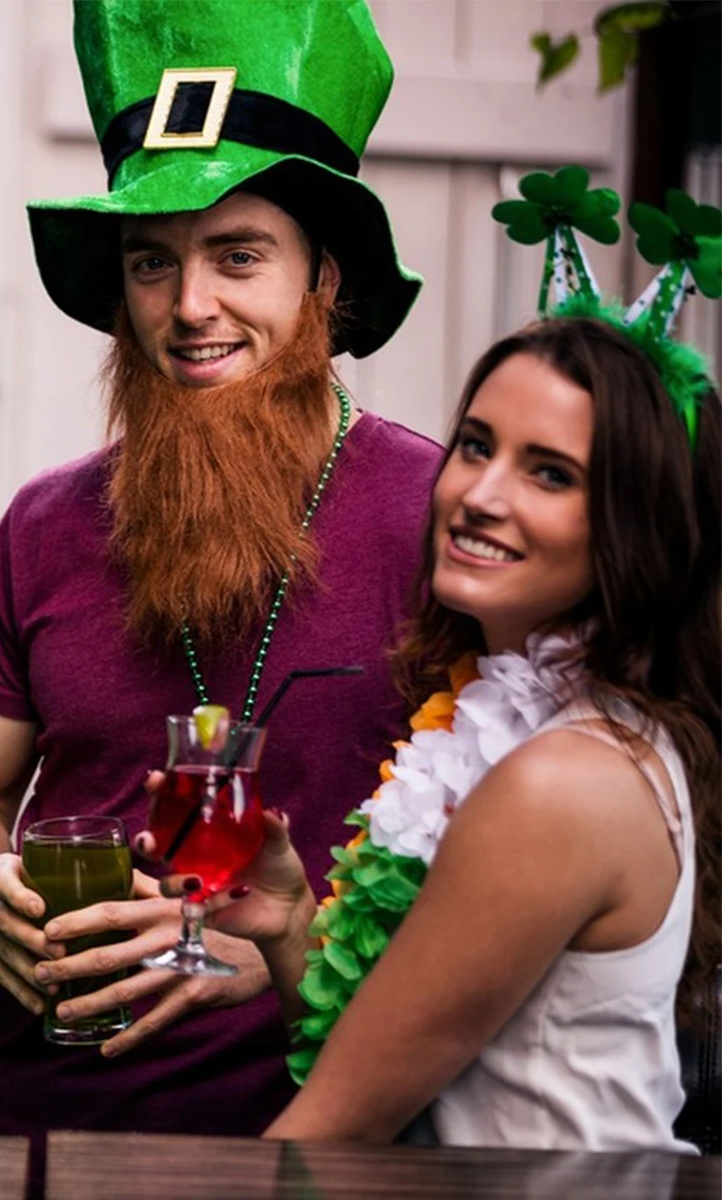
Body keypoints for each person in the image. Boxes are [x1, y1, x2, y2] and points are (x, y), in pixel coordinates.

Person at [0, 0, 442, 1141]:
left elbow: (500, 880)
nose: (190, 308)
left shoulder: (439, 522)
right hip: (21, 1122)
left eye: (237, 256)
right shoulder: (47, 524)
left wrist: (288, 948)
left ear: (323, 282)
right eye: (154, 263)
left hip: (297, 1131)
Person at [152, 312, 720, 1150]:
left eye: (552, 475)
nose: (480, 496)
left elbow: (337, 1125)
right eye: (478, 445)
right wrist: (289, 921)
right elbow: (402, 1055)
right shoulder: (527, 726)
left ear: (638, 529)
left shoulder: (563, 781)